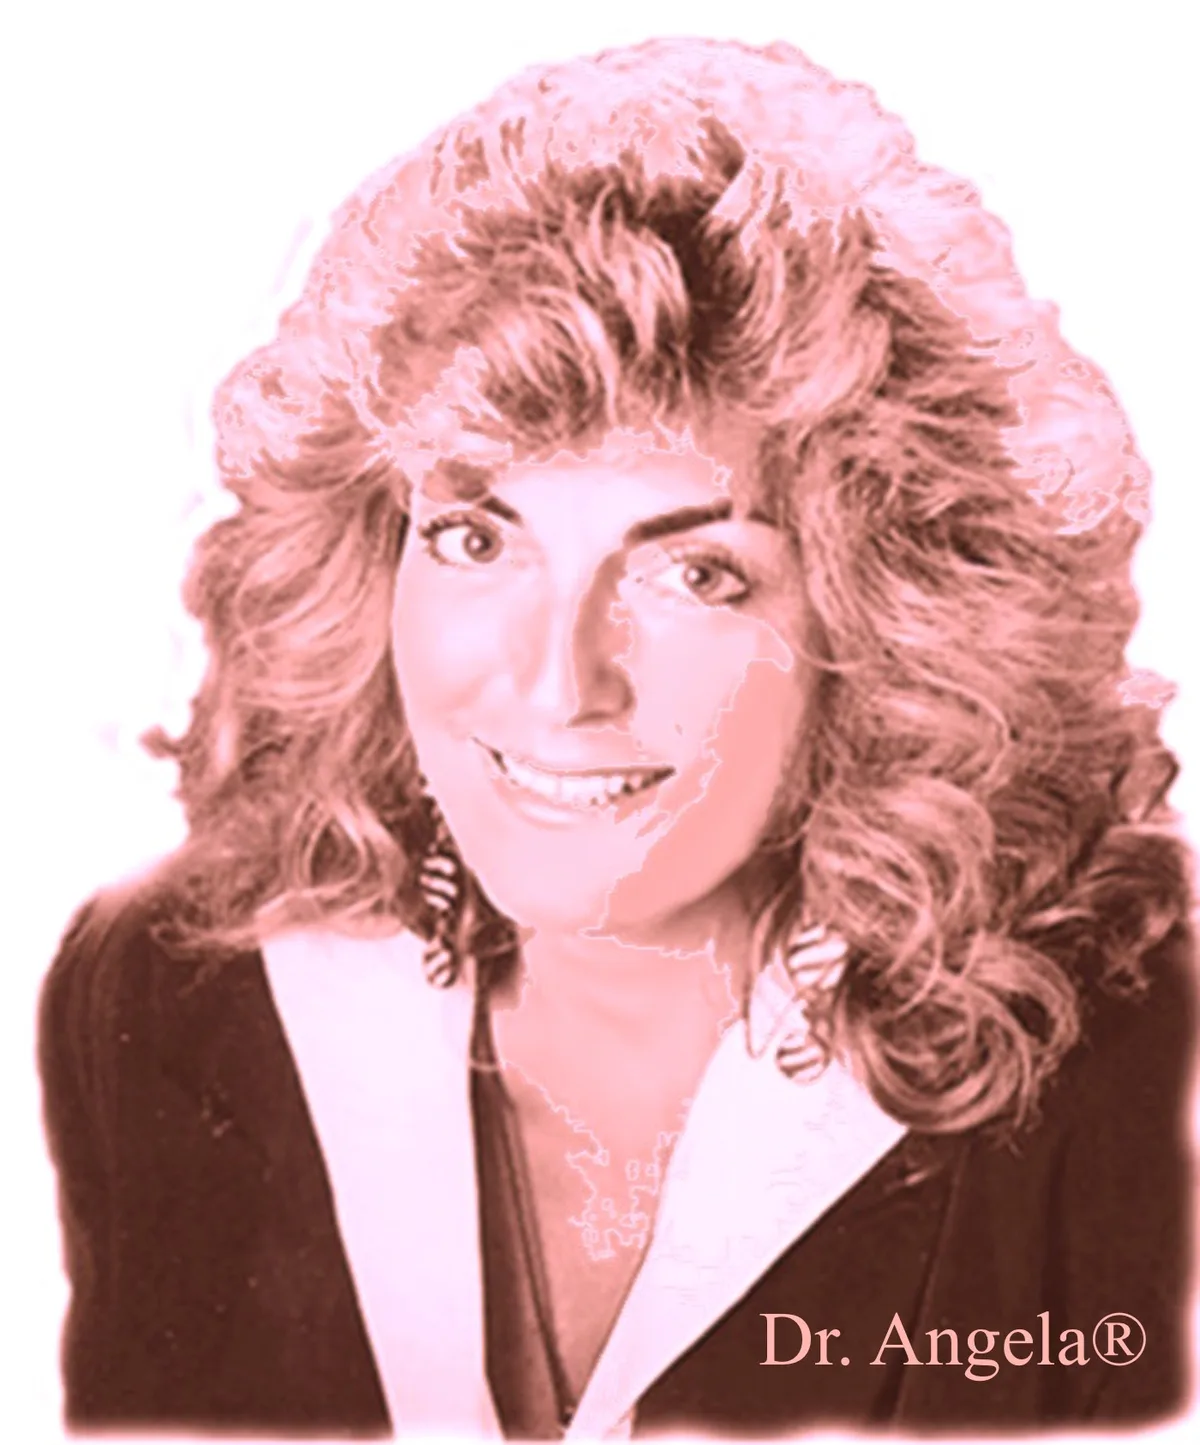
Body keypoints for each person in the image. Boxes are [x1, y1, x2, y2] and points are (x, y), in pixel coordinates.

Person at [38, 35, 1195, 1440]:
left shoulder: (1144, 1061)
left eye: (694, 572)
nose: (557, 681)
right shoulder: (168, 1000)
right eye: (475, 540)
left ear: (889, 624)